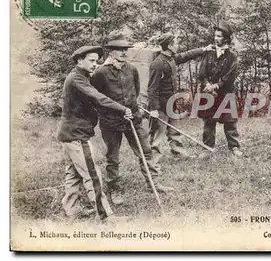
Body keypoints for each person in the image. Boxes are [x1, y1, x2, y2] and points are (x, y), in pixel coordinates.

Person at [90, 34, 169, 206]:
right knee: (113, 156)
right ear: (110, 51)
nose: (124, 52)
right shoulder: (100, 73)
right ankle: (115, 189)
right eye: (120, 49)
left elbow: (135, 92)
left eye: (126, 49)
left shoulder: (131, 69)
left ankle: (153, 183)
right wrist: (115, 111)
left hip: (134, 119)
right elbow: (96, 99)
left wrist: (133, 110)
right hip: (111, 123)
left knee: (146, 151)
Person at [57, 45, 132, 222]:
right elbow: (98, 97)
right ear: (79, 61)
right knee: (92, 175)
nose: (94, 64)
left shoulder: (81, 76)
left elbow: (96, 99)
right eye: (91, 61)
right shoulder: (77, 79)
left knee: (73, 174)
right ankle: (106, 216)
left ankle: (72, 210)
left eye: (96, 61)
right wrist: (122, 108)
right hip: (77, 135)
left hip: (69, 134)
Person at [148, 32, 214, 163]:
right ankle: (153, 160)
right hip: (160, 106)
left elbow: (186, 55)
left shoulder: (171, 58)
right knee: (157, 135)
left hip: (171, 104)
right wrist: (154, 109)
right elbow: (152, 88)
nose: (178, 45)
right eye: (176, 43)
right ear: (170, 46)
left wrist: (203, 49)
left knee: (174, 131)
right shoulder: (158, 64)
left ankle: (179, 154)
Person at [197, 21, 243, 157]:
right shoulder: (209, 53)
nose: (216, 38)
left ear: (226, 38)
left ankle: (234, 147)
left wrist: (216, 86)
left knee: (230, 122)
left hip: (225, 93)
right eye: (215, 36)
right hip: (208, 92)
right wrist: (207, 85)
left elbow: (230, 76)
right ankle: (207, 148)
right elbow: (202, 73)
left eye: (219, 36)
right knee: (208, 122)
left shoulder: (232, 56)